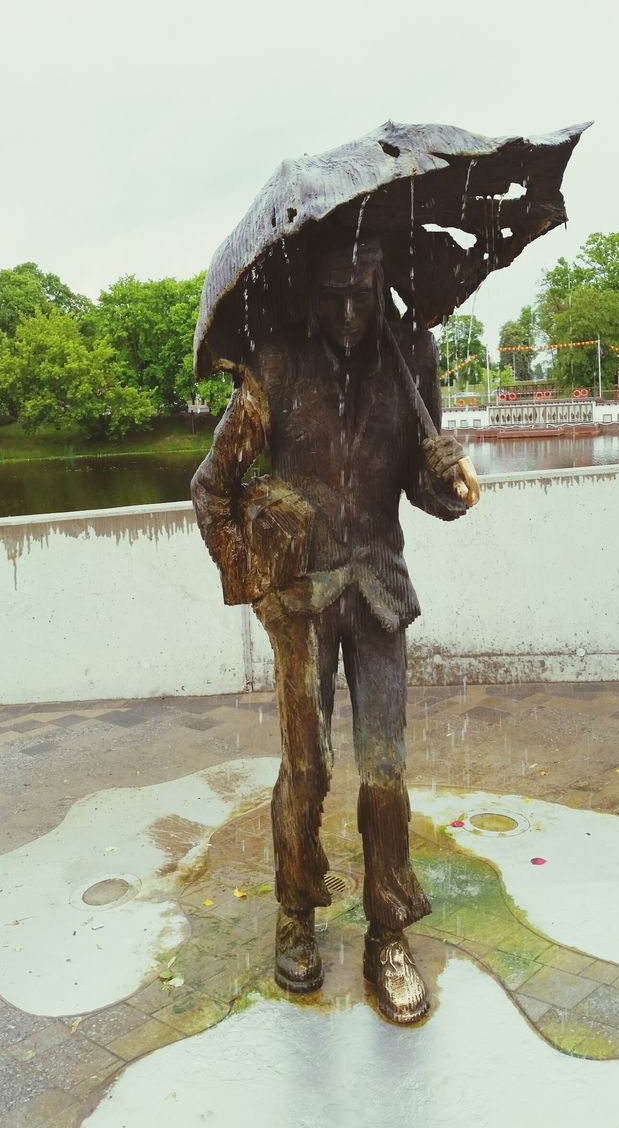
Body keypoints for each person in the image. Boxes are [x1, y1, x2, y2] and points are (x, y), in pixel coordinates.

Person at [191, 233, 479, 1024]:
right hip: (301, 602)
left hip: (380, 592)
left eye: (364, 289)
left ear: (383, 278)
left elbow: (429, 495)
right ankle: (296, 911)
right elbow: (211, 487)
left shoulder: (409, 354)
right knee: (306, 768)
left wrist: (443, 473)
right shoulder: (275, 364)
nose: (350, 310)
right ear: (308, 289)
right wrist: (250, 579)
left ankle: (389, 930)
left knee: (385, 770)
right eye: (333, 293)